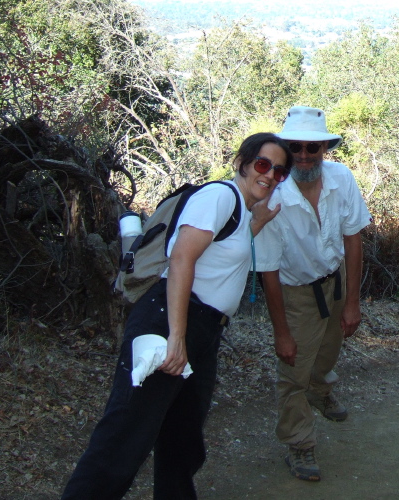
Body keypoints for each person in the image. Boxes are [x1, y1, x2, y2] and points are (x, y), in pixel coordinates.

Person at [61, 132, 293, 499]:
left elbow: (218, 255)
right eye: (263, 164)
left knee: (182, 439)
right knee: (126, 435)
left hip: (203, 330)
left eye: (279, 172)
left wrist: (257, 223)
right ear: (243, 163)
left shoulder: (240, 210)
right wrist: (177, 335)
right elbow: (182, 257)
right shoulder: (219, 196)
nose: (270, 175)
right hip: (169, 320)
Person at [255, 106, 372, 481]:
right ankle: (299, 444)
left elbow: (353, 238)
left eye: (312, 147)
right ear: (285, 150)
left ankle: (320, 390)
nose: (303, 155)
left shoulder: (341, 178)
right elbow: (269, 271)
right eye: (295, 148)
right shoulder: (272, 197)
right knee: (293, 370)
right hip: (296, 293)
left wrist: (352, 301)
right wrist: (281, 332)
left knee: (330, 348)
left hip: (334, 282)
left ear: (325, 148)